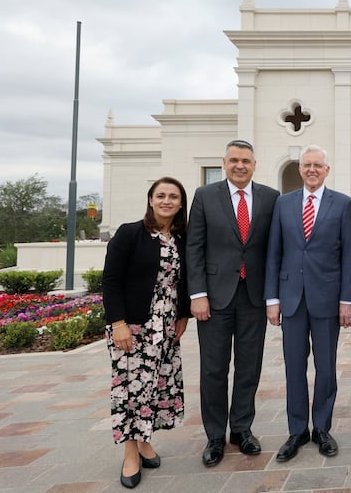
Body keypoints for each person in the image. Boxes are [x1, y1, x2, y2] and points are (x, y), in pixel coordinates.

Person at [186, 140, 279, 467]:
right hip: (214, 297)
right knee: (213, 368)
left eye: (246, 161)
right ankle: (214, 436)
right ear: (224, 163)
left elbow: (273, 251)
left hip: (253, 295)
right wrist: (197, 294)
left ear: (255, 164)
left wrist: (273, 297)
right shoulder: (204, 196)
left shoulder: (270, 198)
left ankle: (241, 429)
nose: (240, 166)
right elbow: (194, 248)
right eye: (234, 160)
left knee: (249, 366)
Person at [265, 145, 351, 461]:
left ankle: (322, 428)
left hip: (327, 299)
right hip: (291, 299)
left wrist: (347, 300)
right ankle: (296, 431)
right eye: (307, 165)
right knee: (294, 367)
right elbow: (274, 253)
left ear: (327, 170)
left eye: (318, 165)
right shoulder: (283, 203)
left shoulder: (343, 204)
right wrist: (272, 299)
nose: (312, 169)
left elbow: (349, 256)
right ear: (300, 168)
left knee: (326, 367)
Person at [102, 176, 191, 489]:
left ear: (181, 204)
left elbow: (183, 282)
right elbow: (110, 281)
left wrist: (183, 316)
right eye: (161, 195)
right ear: (151, 199)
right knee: (131, 389)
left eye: (173, 197)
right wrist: (118, 323)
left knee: (155, 386)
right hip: (134, 325)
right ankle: (130, 453)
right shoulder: (130, 233)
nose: (167, 201)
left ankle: (144, 441)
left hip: (166, 327)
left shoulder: (180, 238)